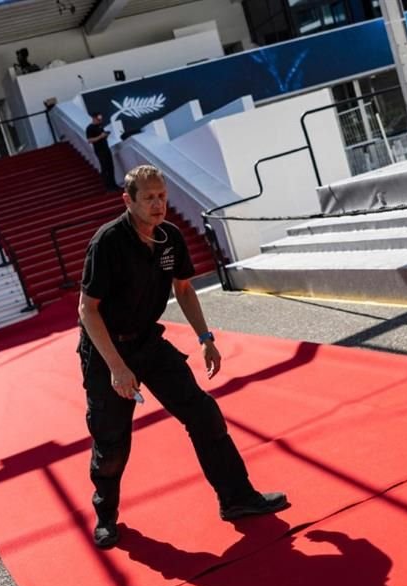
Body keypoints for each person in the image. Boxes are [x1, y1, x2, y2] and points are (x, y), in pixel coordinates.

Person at [77, 165, 288, 549]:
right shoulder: (107, 242)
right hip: (107, 350)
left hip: (147, 341)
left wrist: (205, 338)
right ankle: (105, 514)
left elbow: (185, 289)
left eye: (162, 196)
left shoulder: (170, 238)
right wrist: (117, 368)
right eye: (149, 198)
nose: (158, 204)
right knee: (112, 444)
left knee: (203, 414)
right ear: (128, 201)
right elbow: (87, 310)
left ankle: (237, 498)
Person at [85, 113, 119, 191]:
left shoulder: (100, 126)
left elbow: (102, 136)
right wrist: (100, 136)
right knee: (105, 167)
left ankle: (113, 184)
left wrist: (105, 136)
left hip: (106, 147)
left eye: (100, 119)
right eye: (98, 119)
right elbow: (90, 140)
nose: (100, 121)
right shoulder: (89, 128)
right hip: (99, 150)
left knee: (110, 167)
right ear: (94, 118)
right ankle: (108, 186)